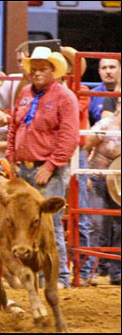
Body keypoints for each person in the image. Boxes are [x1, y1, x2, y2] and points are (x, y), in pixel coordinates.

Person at [5, 46, 79, 289]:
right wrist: (10, 158)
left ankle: (59, 277)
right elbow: (14, 127)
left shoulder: (65, 97)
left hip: (48, 171)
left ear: (53, 71)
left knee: (50, 225)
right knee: (22, 224)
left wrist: (51, 165)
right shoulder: (25, 93)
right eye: (33, 69)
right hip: (23, 169)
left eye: (42, 69)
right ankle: (27, 273)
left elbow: (69, 137)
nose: (36, 73)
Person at [60, 45, 93, 285]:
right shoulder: (52, 92)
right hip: (59, 151)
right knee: (61, 212)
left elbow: (69, 112)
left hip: (76, 151)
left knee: (81, 213)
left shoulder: (80, 90)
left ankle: (85, 269)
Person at [85, 99, 121, 286]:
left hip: (118, 182)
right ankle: (89, 269)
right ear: (118, 106)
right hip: (98, 177)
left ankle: (117, 272)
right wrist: (87, 176)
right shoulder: (106, 125)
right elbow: (85, 145)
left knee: (119, 227)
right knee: (96, 223)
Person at [0, 42, 31, 126]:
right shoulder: (12, 80)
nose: (22, 64)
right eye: (19, 61)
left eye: (26, 59)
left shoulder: (51, 83)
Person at [88, 59, 121, 126]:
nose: (108, 71)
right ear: (99, 72)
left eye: (112, 67)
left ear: (120, 69)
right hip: (99, 134)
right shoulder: (91, 95)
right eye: (104, 68)